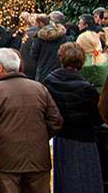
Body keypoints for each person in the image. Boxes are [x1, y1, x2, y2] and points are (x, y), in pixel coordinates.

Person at [0, 48, 63, 193]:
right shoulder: (39, 89)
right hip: (37, 157)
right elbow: (56, 121)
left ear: (0, 67)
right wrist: (41, 137)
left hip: (6, 159)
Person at [43, 42, 103, 193]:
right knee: (86, 180)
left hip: (62, 136)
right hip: (84, 138)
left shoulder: (50, 80)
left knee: (64, 179)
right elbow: (97, 118)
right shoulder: (87, 88)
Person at [31, 13, 68, 82]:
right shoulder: (62, 36)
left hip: (42, 69)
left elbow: (34, 54)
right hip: (59, 69)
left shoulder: (38, 36)